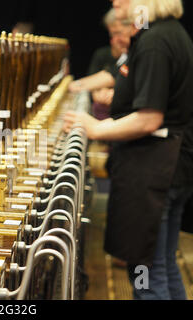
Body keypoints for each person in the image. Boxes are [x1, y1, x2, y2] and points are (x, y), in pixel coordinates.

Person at [64, 0, 193, 300]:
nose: (116, 2)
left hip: (155, 173)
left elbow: (150, 118)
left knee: (146, 274)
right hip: (168, 170)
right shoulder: (160, 34)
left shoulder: (155, 42)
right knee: (162, 266)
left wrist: (96, 128)